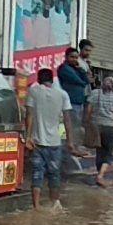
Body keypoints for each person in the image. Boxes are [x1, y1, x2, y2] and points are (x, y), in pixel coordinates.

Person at [25, 68, 76, 211]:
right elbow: (67, 120)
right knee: (54, 173)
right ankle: (55, 203)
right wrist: (70, 141)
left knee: (37, 173)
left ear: (39, 79)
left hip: (36, 142)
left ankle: (36, 206)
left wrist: (28, 137)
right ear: (52, 80)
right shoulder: (62, 94)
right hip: (55, 142)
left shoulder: (33, 92)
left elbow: (29, 116)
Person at [84, 76, 113, 187]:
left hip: (96, 126)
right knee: (108, 152)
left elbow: (89, 110)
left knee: (99, 151)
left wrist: (87, 122)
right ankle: (100, 176)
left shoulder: (95, 93)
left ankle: (99, 173)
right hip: (110, 127)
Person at [56, 47, 90, 152]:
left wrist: (80, 69)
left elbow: (87, 80)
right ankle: (70, 146)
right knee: (72, 125)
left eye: (76, 57)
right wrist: (83, 78)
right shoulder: (64, 69)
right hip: (70, 102)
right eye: (72, 57)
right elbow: (81, 82)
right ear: (66, 57)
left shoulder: (76, 69)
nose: (74, 59)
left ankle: (74, 146)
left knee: (76, 126)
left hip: (78, 102)